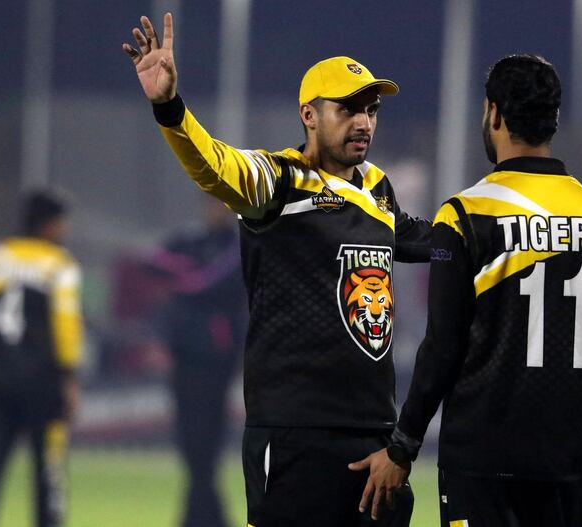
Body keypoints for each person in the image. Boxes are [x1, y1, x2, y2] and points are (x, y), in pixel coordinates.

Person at [122, 13, 430, 527]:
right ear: (309, 115)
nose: (364, 122)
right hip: (293, 434)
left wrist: (485, 238)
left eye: (371, 109)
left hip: (375, 439)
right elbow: (214, 166)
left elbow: (422, 241)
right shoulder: (278, 182)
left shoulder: (377, 187)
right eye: (349, 108)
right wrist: (169, 107)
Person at [353, 54, 582, 526]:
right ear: (553, 120)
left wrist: (402, 448)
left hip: (482, 461)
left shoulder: (464, 216)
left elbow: (442, 346)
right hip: (565, 463)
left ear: (495, 113)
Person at [148, 196, 245, 527]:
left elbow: (211, 282)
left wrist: (185, 277)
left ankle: (199, 517)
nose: (216, 210)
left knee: (209, 438)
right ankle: (207, 517)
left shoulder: (237, 243)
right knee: (190, 439)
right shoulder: (187, 239)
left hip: (216, 358)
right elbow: (153, 263)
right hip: (184, 355)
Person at [0, 190, 84, 527]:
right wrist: (69, 378)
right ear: (49, 225)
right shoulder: (58, 264)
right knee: (48, 470)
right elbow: (65, 325)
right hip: (41, 383)